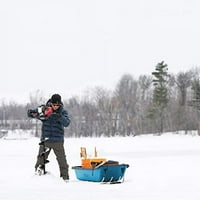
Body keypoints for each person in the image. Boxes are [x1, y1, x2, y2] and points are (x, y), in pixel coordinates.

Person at [28, 94, 71, 182]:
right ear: (51, 103)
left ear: (60, 104)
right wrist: (32, 112)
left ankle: (65, 179)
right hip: (46, 140)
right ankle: (38, 178)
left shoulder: (62, 112)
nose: (55, 107)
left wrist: (59, 117)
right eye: (54, 104)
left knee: (62, 161)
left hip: (58, 141)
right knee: (40, 160)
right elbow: (32, 114)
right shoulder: (45, 109)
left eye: (57, 105)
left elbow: (67, 123)